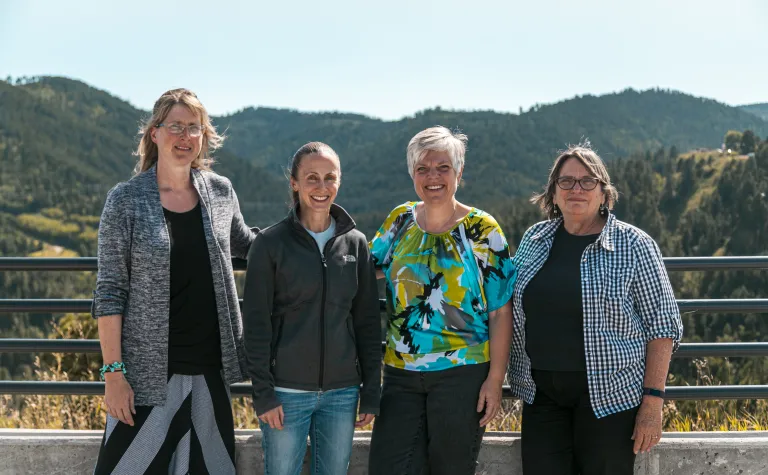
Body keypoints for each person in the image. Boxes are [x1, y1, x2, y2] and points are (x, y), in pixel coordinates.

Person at [91, 88, 256, 474]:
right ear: (155, 133)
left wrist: (314, 232)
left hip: (209, 371)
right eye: (175, 127)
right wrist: (113, 374)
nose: (185, 137)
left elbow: (248, 245)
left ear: (204, 136)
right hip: (147, 377)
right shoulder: (126, 200)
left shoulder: (220, 191)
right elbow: (110, 292)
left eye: (193, 128)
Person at [508, 142, 684, 474]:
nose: (577, 188)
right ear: (554, 193)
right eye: (567, 181)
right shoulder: (534, 239)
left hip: (610, 399)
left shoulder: (635, 245)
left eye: (588, 181)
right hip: (541, 396)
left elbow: (663, 328)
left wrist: (652, 404)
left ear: (604, 193)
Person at [367, 126, 516, 475]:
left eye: (443, 167)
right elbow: (362, 268)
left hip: (462, 374)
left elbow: (500, 312)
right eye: (423, 168)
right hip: (400, 373)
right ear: (412, 174)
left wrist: (495, 380)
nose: (433, 176)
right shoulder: (400, 220)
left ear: (459, 172)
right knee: (388, 467)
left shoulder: (483, 230)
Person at [242, 142, 381, 475]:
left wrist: (371, 392)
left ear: (339, 182)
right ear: (294, 182)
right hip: (285, 394)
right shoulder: (270, 244)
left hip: (343, 394)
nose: (321, 188)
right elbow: (257, 324)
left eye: (329, 178)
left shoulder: (355, 243)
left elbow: (367, 323)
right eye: (312, 178)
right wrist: (263, 394)